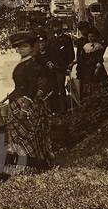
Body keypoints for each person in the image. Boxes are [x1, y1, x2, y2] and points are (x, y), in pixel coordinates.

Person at [5, 31, 53, 171]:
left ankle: (29, 169)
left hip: (26, 106)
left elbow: (32, 88)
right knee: (16, 138)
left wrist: (25, 109)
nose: (20, 49)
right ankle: (19, 168)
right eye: (18, 47)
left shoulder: (32, 64)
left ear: (32, 47)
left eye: (24, 46)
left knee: (27, 137)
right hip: (17, 103)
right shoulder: (23, 63)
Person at [46, 22, 75, 114]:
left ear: (61, 27)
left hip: (62, 68)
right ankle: (55, 109)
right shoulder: (51, 40)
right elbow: (47, 54)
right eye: (55, 26)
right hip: (52, 68)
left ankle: (63, 110)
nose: (56, 28)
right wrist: (49, 62)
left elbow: (71, 55)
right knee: (53, 88)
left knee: (61, 87)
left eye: (58, 26)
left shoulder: (67, 39)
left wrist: (68, 65)